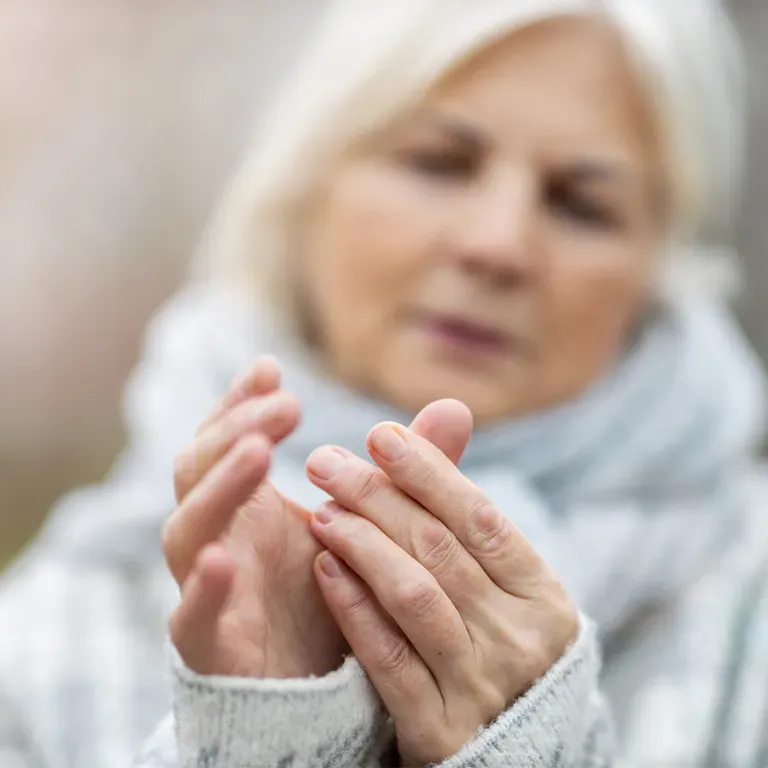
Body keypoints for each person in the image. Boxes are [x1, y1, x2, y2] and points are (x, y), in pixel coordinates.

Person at [1, 1, 767, 766]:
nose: (496, 244)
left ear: (657, 274)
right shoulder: (54, 631)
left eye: (581, 204)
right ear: (306, 189)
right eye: (438, 162)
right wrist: (263, 738)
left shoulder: (746, 607)